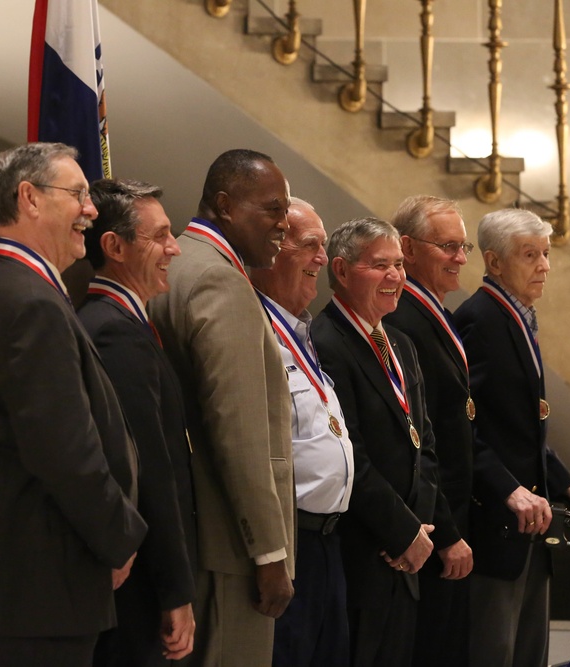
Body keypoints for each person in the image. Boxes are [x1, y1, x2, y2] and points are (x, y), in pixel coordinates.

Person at [0, 143, 147, 667]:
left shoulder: (12, 288)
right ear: (29, 198)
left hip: (27, 591)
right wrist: (119, 538)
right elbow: (64, 453)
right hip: (34, 590)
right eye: (78, 194)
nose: (91, 209)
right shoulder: (28, 302)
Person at [148, 148, 296, 667]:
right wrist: (269, 553)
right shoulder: (218, 280)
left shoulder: (176, 262)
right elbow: (238, 431)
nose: (285, 221)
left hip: (194, 528)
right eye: (273, 209)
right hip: (229, 545)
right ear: (226, 205)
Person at [453, 208, 570, 667]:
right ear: (494, 262)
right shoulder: (481, 319)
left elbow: (522, 425)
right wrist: (508, 490)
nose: (544, 265)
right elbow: (466, 427)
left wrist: (567, 484)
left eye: (546, 254)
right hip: (497, 520)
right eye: (530, 254)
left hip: (535, 518)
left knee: (529, 652)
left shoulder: (518, 316)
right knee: (495, 651)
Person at [77, 178, 197, 665]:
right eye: (161, 236)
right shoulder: (113, 333)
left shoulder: (119, 321)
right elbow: (148, 469)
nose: (174, 249)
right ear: (114, 246)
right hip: (137, 582)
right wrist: (175, 590)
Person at [311, 217, 440, 667]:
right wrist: (400, 532)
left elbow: (423, 444)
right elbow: (351, 454)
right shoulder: (325, 342)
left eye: (399, 265)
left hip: (409, 552)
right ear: (342, 271)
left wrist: (418, 527)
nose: (396, 276)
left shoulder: (400, 342)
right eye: (380, 265)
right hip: (364, 550)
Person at [248, 198, 355, 667]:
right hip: (289, 543)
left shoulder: (302, 330)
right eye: (309, 245)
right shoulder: (253, 326)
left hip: (331, 541)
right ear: (273, 249)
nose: (320, 259)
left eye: (323, 245)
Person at [384, 195, 474, 666]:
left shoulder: (436, 313)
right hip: (433, 527)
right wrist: (446, 532)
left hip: (453, 517)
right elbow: (422, 442)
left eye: (464, 247)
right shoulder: (402, 320)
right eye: (447, 246)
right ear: (408, 248)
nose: (460, 258)